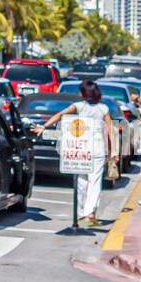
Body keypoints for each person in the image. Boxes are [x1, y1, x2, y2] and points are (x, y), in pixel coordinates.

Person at [32, 81, 115, 226]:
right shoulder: (104, 108)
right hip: (97, 148)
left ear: (84, 94)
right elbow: (110, 130)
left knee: (82, 181)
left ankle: (82, 212)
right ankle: (90, 213)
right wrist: (113, 150)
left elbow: (59, 115)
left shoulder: (78, 106)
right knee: (94, 182)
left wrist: (44, 126)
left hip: (80, 148)